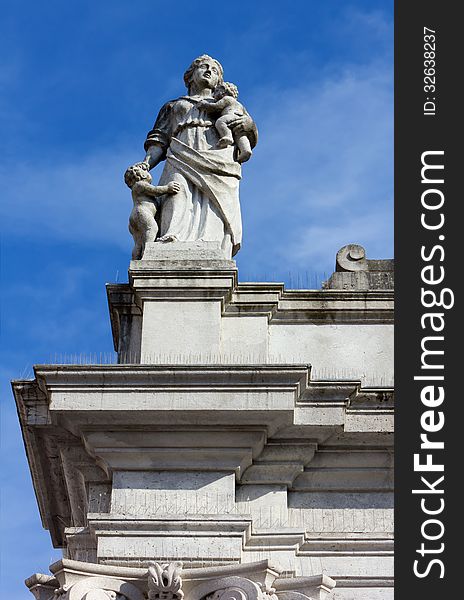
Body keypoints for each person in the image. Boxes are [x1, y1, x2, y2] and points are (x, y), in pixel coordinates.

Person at [125, 55, 257, 257]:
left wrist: (249, 125)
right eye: (203, 67)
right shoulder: (174, 105)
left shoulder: (225, 103)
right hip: (180, 153)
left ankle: (212, 244)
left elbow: (246, 127)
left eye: (214, 70)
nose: (208, 71)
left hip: (218, 157)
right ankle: (171, 238)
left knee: (213, 205)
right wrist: (145, 164)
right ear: (190, 76)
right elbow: (159, 140)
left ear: (219, 81)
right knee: (175, 193)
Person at [124, 163, 181, 260]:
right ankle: (148, 253)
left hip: (135, 216)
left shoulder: (136, 188)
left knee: (139, 242)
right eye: (145, 171)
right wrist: (167, 188)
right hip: (141, 213)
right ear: (141, 175)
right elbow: (154, 190)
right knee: (152, 229)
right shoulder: (139, 185)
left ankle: (137, 258)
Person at [197, 82, 252, 163]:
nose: (213, 95)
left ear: (223, 91)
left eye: (216, 91)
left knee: (220, 122)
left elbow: (216, 107)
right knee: (240, 135)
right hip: (239, 118)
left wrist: (205, 105)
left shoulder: (226, 99)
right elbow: (247, 116)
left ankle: (227, 136)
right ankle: (245, 150)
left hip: (230, 116)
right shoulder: (240, 104)